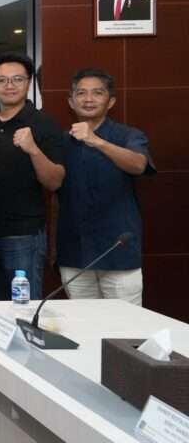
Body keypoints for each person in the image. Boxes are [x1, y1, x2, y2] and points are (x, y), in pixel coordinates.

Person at [57, 68, 155, 304]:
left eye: (97, 93)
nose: (88, 99)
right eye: (81, 93)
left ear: (110, 101)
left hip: (119, 252)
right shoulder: (61, 140)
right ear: (71, 101)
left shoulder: (128, 135)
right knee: (83, 322)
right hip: (75, 253)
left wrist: (95, 140)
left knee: (125, 324)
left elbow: (138, 165)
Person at [0, 53, 66, 300]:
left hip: (22, 235)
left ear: (28, 83)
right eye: (2, 80)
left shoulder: (43, 123)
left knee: (23, 310)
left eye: (17, 79)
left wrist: (33, 149)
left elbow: (55, 181)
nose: (9, 85)